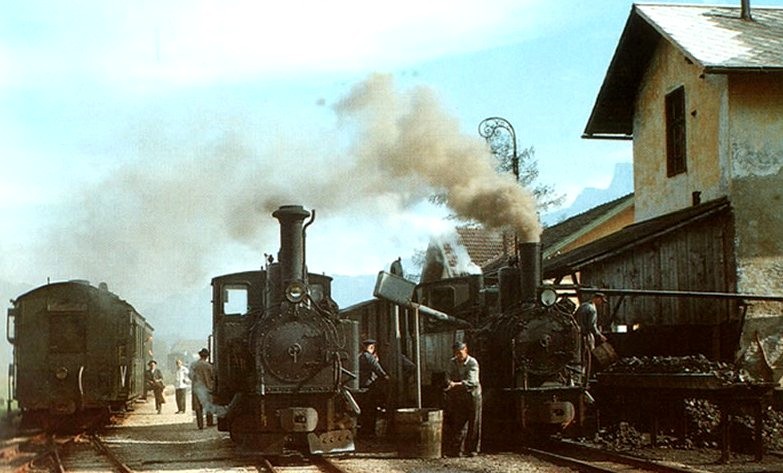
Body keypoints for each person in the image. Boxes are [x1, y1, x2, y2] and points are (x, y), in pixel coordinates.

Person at [443, 341, 482, 457]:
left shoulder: (472, 363)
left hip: (473, 394)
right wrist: (448, 381)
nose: (458, 356)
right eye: (456, 354)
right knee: (459, 422)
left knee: (474, 422)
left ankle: (473, 449)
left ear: (466, 351)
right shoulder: (452, 362)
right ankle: (458, 450)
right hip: (460, 395)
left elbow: (472, 382)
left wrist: (455, 384)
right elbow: (447, 374)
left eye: (460, 353)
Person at [358, 339, 389, 438]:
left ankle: (362, 431)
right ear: (372, 347)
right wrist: (386, 376)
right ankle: (369, 432)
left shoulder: (359, 356)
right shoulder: (369, 357)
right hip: (369, 386)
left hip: (360, 385)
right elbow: (377, 369)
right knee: (371, 410)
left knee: (363, 410)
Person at [574, 292, 608, 383]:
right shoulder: (592, 309)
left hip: (576, 335)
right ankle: (585, 378)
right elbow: (592, 326)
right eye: (601, 301)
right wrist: (600, 335)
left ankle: (578, 376)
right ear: (597, 299)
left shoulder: (582, 306)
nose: (601, 304)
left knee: (579, 357)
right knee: (587, 357)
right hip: (586, 336)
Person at [190, 348, 227, 429]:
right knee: (208, 406)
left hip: (196, 389)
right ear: (206, 356)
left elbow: (190, 376)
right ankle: (209, 423)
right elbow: (213, 377)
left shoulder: (194, 365)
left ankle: (200, 425)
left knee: (198, 408)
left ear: (200, 355)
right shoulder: (209, 366)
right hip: (207, 389)